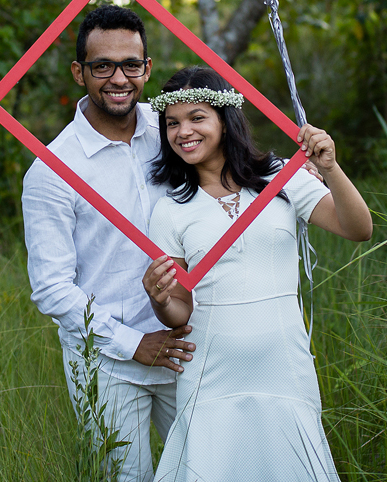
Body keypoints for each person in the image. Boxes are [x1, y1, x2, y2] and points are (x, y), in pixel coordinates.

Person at [142, 66, 373, 482]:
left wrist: (332, 168)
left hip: (283, 361)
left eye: (197, 118)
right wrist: (160, 300)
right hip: (211, 369)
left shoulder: (281, 178)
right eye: (172, 123)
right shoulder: (169, 210)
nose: (183, 132)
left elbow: (358, 228)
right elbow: (180, 311)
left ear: (225, 121)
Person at [21, 4, 197, 482]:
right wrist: (132, 342)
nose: (118, 78)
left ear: (147, 69)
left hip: (185, 345)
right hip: (106, 363)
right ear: (80, 72)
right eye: (102, 66)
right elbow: (53, 289)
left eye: (131, 65)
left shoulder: (172, 130)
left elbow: (233, 164)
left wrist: (299, 166)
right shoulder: (52, 171)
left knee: (210, 469)